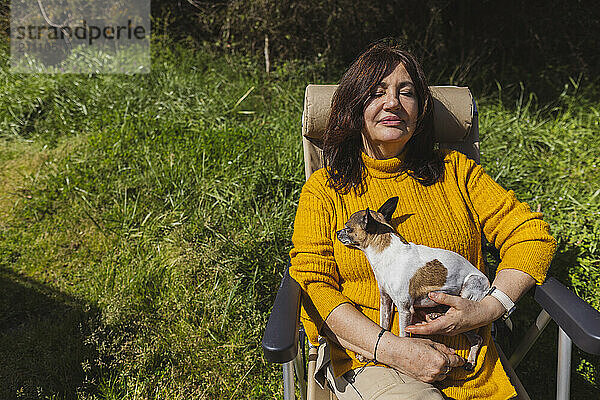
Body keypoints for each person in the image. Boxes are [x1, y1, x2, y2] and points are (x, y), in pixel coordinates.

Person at [289, 40, 557, 400]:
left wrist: (488, 308)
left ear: (420, 110)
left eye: (406, 92)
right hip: (372, 362)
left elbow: (531, 235)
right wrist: (393, 349)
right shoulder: (326, 189)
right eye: (376, 92)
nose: (392, 103)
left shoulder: (456, 171)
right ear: (355, 108)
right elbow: (314, 285)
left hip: (471, 366)